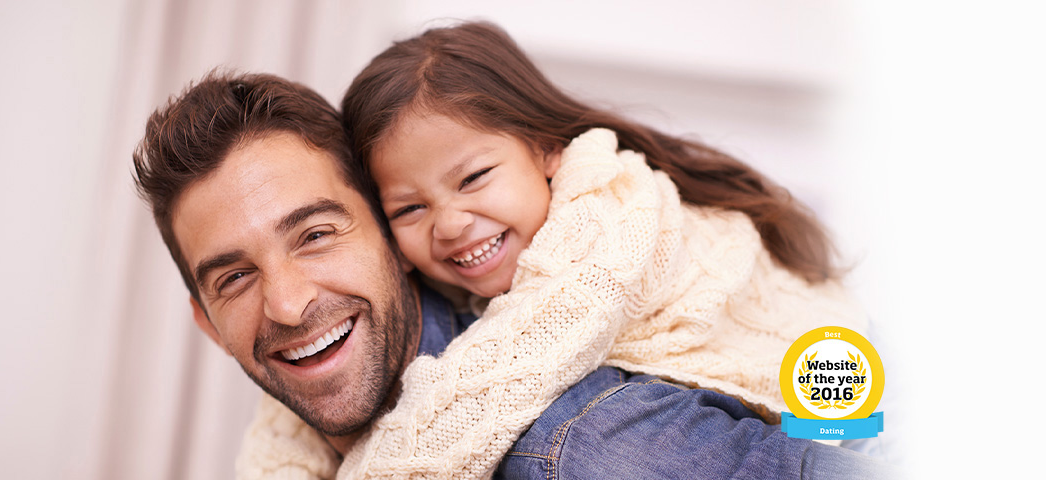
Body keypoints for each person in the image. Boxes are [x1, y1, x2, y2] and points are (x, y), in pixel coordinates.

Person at [132, 69, 889, 478]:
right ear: (205, 319)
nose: (290, 303)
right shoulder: (304, 438)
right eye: (233, 278)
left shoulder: (568, 447)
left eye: (317, 234)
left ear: (390, 241)